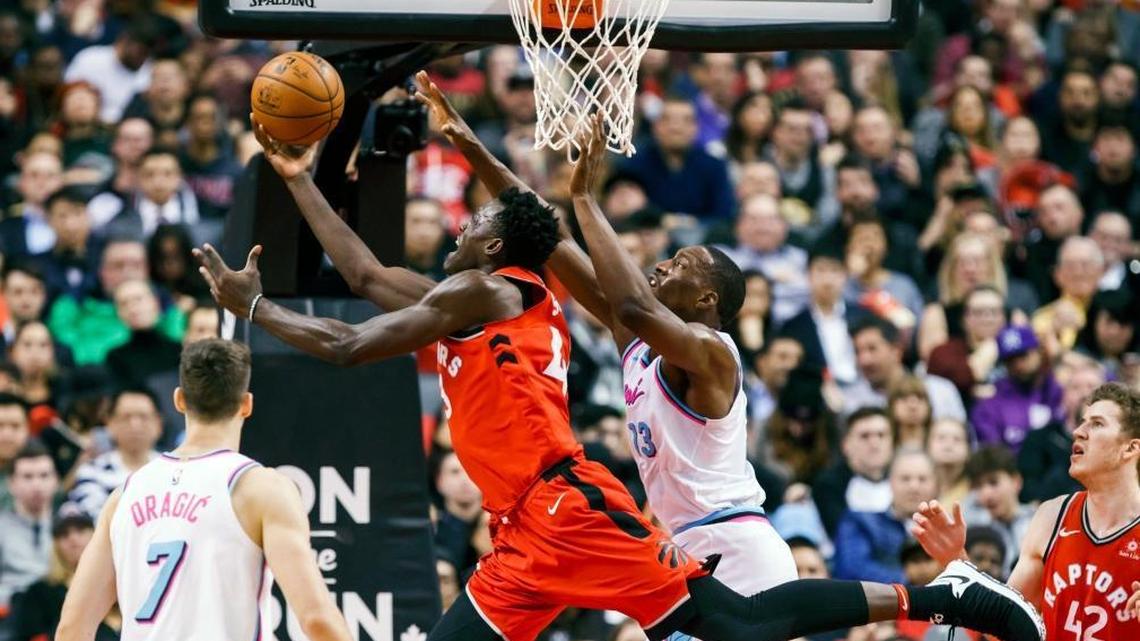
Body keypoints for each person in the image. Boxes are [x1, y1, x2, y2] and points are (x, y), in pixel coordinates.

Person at [192, 83, 1047, 641]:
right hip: (536, 527)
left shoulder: (683, 343)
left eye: (683, 267)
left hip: (644, 519)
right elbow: (386, 270)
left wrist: (255, 309)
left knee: (741, 628)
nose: (664, 265)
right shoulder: (495, 298)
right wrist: (306, 174)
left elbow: (373, 323)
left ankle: (939, 596)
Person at [55, 339, 353, 641]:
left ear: (179, 400)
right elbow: (317, 620)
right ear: (247, 404)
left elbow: (72, 628)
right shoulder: (260, 488)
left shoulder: (124, 494)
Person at [913, 383, 1140, 639]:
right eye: (1082, 422)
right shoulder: (1053, 516)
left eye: (1097, 424)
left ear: (1130, 448)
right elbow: (1001, 625)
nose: (1078, 431)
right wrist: (957, 560)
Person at [6, 507, 120, 641]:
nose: (73, 538)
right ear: (55, 545)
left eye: (80, 530)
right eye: (64, 534)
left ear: (95, 535)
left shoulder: (119, 582)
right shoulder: (40, 593)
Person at [833, 448, 939, 584]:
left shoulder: (948, 530)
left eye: (922, 479)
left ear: (936, 484)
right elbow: (851, 569)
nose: (914, 486)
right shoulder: (860, 523)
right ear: (890, 482)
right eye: (905, 479)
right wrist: (910, 580)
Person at [66, 388, 162, 517]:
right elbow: (94, 521)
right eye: (126, 417)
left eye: (143, 417)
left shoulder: (175, 470)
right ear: (110, 423)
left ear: (159, 423)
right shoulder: (91, 472)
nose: (135, 425)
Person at [0, 442, 59, 610]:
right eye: (27, 476)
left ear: (56, 480)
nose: (36, 485)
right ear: (11, 483)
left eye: (44, 475)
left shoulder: (70, 528)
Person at [962, 447, 1034, 577]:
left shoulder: (1040, 521)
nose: (986, 494)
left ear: (1016, 481)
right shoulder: (971, 528)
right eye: (978, 486)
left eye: (993, 482)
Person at [0, 392, 30, 512]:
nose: (7, 435)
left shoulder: (42, 469)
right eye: (0, 426)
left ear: (28, 429)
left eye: (15, 426)